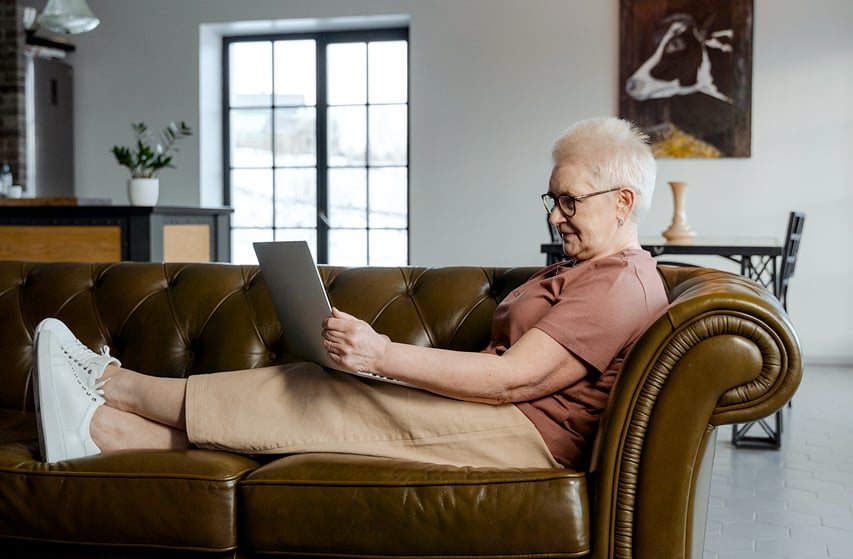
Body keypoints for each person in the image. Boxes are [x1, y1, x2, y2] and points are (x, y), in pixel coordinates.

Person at [33, 116, 669, 470]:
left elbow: (515, 381)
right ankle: (101, 431)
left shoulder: (621, 283)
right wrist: (386, 365)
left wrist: (381, 355)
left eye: (569, 200)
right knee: (320, 393)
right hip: (502, 418)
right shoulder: (581, 269)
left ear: (623, 202)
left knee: (314, 390)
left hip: (522, 435)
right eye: (551, 199)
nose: (556, 215)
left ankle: (114, 385)